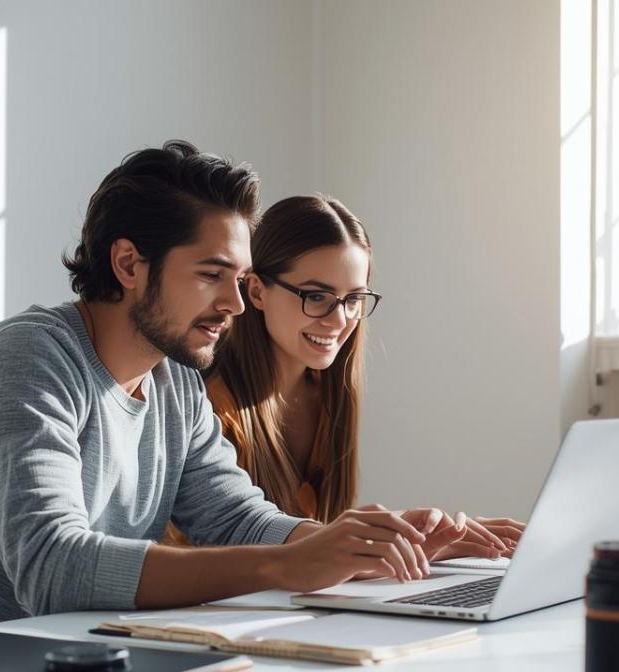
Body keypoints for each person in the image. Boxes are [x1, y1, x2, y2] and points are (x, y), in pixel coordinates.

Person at [0, 142, 478, 643]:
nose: (235, 304)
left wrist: (360, 547)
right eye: (211, 276)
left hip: (53, 669)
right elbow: (51, 565)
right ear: (128, 265)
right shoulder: (29, 357)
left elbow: (237, 520)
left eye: (240, 280)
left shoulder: (175, 381)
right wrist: (285, 566)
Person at [164, 195, 523, 557]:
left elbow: (316, 544)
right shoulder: (207, 407)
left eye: (353, 299)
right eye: (317, 296)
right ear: (256, 290)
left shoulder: (328, 395)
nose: (339, 320)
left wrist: (425, 543)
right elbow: (215, 556)